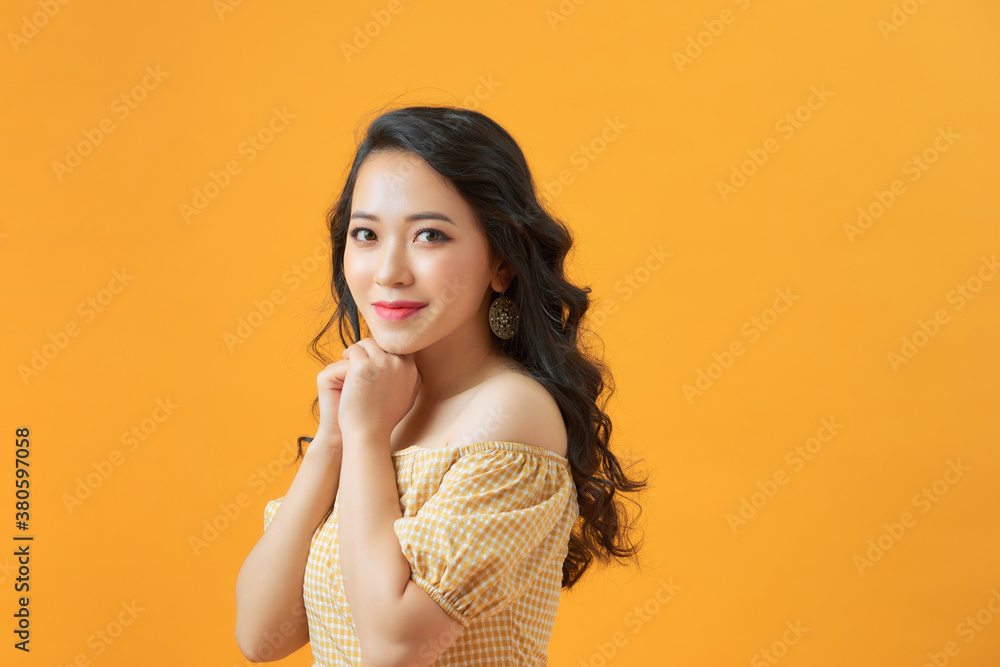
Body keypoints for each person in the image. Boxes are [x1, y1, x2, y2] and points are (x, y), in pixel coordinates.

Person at [235, 104, 648, 666]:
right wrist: (333, 441)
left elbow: (393, 647)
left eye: (429, 234)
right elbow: (262, 636)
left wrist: (362, 438)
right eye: (366, 234)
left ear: (501, 264)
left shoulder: (510, 412)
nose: (388, 271)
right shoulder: (378, 410)